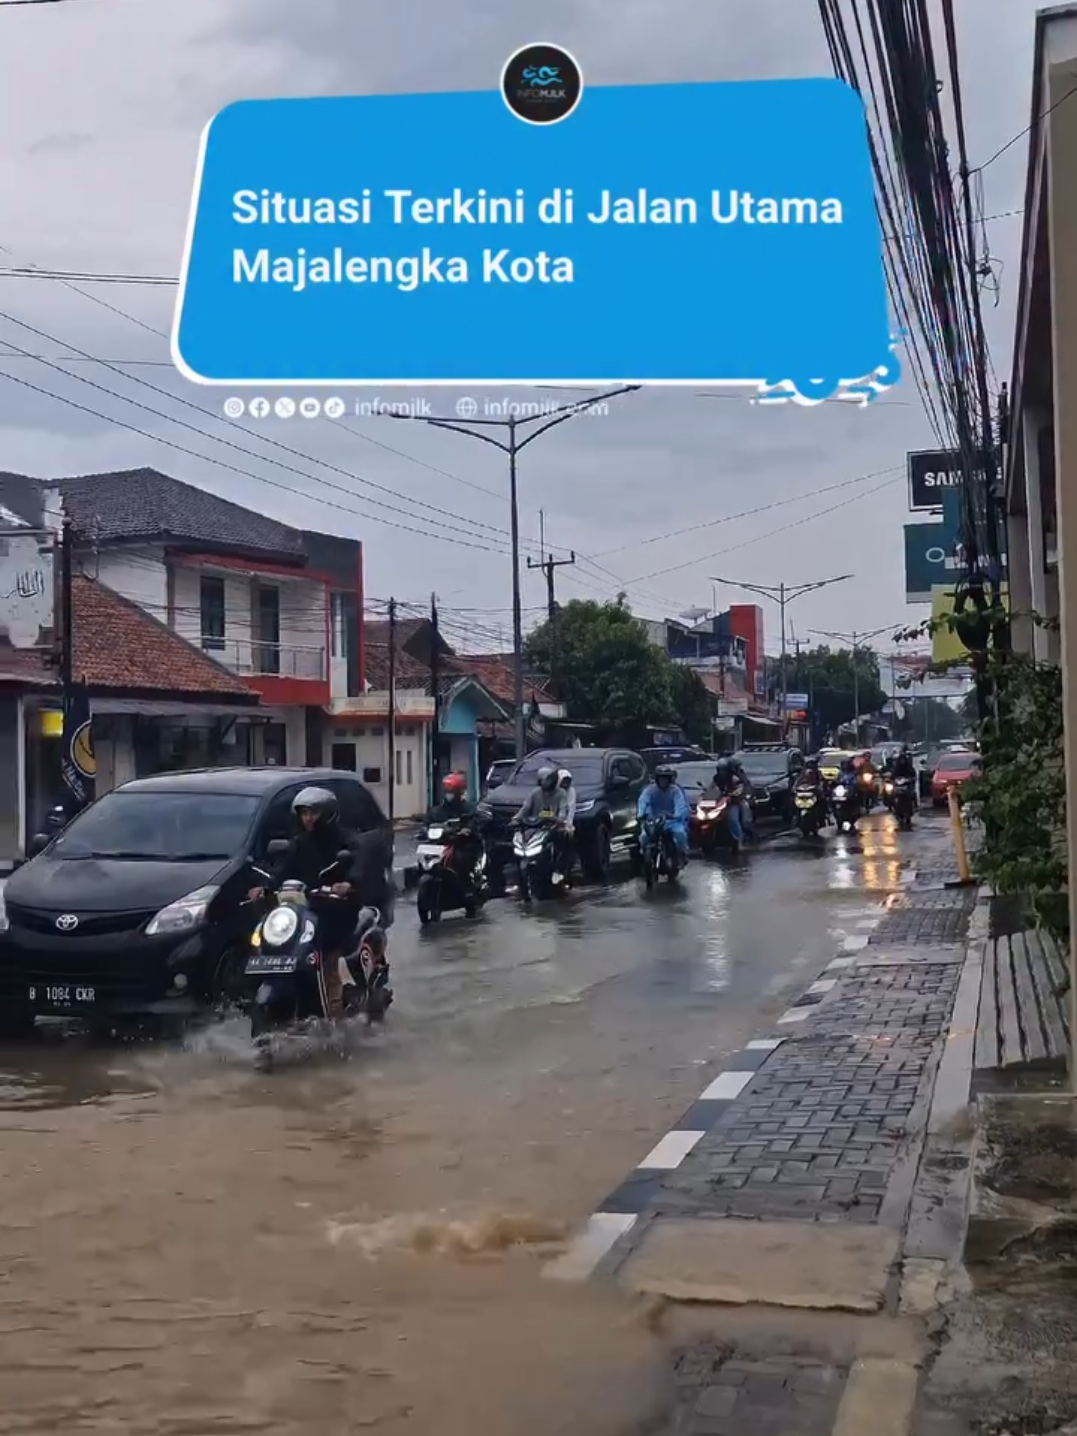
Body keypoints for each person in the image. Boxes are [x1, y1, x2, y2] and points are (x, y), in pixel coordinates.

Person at [247, 786, 373, 1018]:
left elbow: (359, 866)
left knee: (327, 956)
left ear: (328, 813)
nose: (308, 818)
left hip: (337, 911)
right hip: (305, 911)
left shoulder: (347, 841)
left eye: (313, 813)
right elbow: (283, 871)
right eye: (304, 813)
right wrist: (265, 887)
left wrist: (348, 884)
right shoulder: (299, 843)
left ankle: (336, 1011)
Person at [512, 765, 572, 878]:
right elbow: (525, 809)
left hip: (553, 827)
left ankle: (559, 870)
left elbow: (563, 812)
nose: (545, 783)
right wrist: (515, 819)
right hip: (534, 827)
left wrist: (557, 820)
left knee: (564, 840)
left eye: (547, 780)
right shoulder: (535, 793)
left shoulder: (561, 794)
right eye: (543, 780)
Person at [637, 763, 690, 863]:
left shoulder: (676, 791)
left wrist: (676, 815)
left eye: (665, 778)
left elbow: (680, 804)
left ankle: (682, 854)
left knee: (680, 834)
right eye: (661, 778)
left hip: (672, 821)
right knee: (644, 837)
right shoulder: (649, 790)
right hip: (653, 821)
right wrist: (641, 814)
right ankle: (646, 856)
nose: (663, 781)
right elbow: (643, 801)